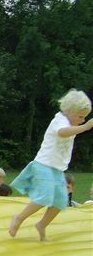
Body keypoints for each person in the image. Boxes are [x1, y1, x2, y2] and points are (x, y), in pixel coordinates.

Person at [9, 89, 93, 241]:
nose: (81, 120)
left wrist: (81, 125)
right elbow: (63, 133)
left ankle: (41, 225)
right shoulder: (59, 120)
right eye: (80, 117)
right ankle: (19, 218)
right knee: (45, 196)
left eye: (84, 118)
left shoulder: (71, 122)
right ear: (68, 111)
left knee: (61, 200)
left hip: (56, 168)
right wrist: (85, 127)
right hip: (44, 164)